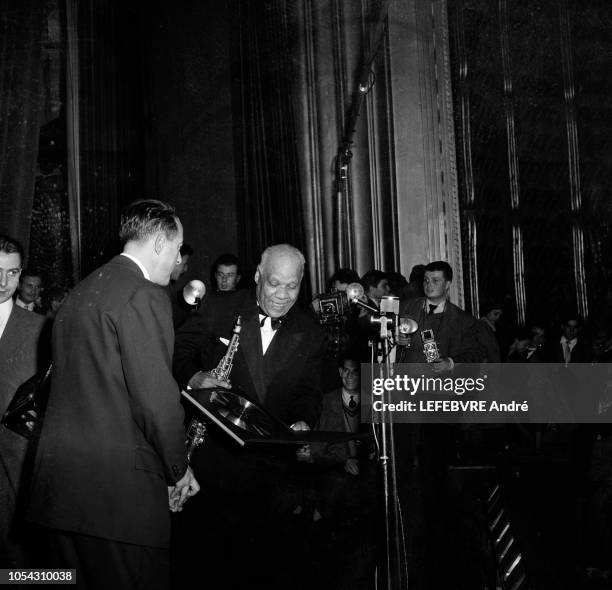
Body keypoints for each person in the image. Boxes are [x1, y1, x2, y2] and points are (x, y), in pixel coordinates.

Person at [27, 200, 199, 590]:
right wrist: (179, 467)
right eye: (176, 251)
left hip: (60, 498)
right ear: (158, 244)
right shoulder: (144, 295)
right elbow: (155, 400)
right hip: (118, 504)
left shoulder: (82, 291)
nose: (176, 265)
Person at [173, 243, 326, 588]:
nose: (282, 295)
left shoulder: (311, 331)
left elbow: (309, 393)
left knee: (261, 569)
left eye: (292, 286)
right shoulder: (218, 307)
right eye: (274, 283)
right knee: (204, 566)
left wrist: (304, 420)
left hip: (271, 471)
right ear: (257, 276)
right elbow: (175, 352)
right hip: (212, 463)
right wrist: (196, 377)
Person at [0, 236, 48, 567]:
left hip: (14, 465)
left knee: (18, 568)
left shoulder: (40, 329)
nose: (3, 283)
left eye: (12, 273)